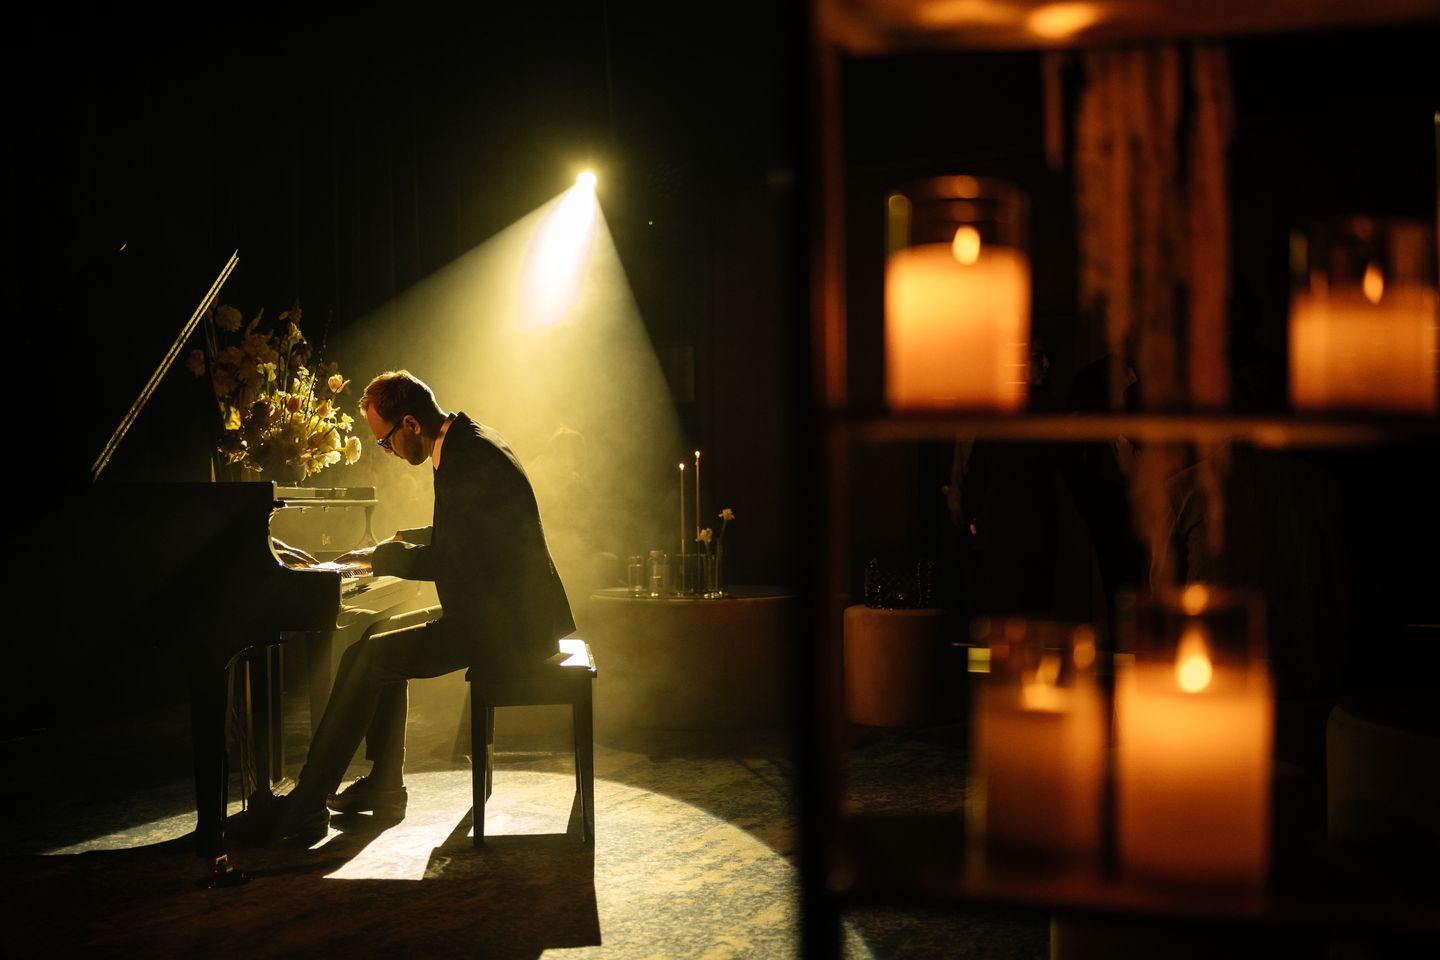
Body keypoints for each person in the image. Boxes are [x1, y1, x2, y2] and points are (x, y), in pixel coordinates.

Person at [269, 370, 575, 844]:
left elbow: (455, 560)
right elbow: (468, 533)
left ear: (410, 423)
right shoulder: (467, 442)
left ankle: (308, 803)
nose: (387, 452)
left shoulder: (467, 458)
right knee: (375, 640)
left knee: (368, 658)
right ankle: (384, 786)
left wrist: (378, 559)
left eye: (385, 441)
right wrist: (396, 541)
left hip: (510, 629)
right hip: (499, 612)